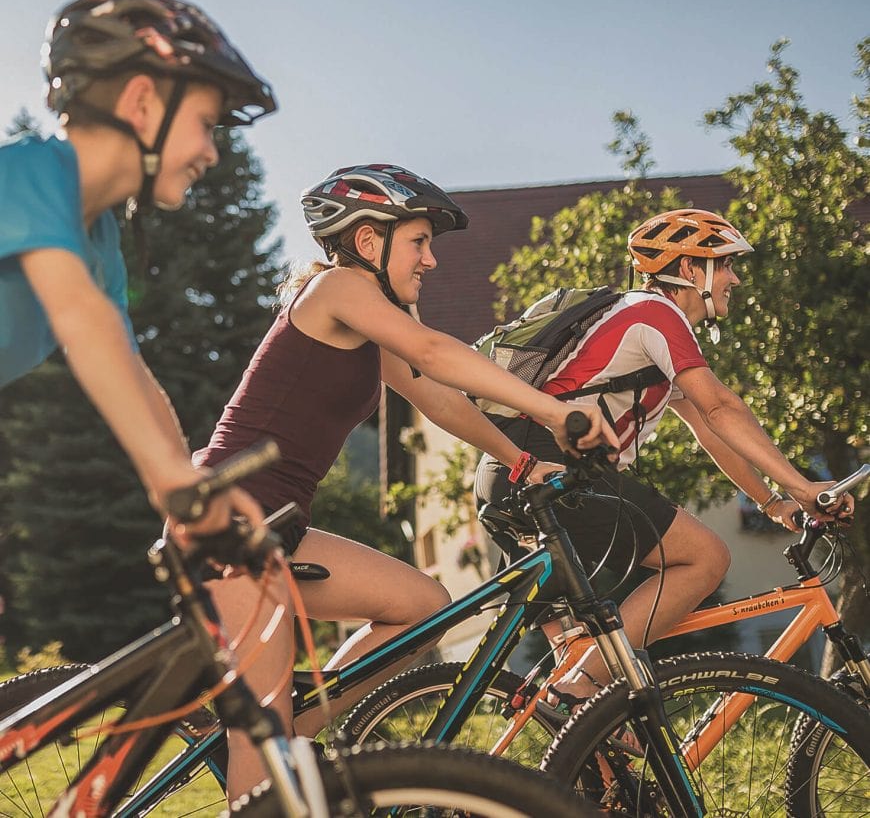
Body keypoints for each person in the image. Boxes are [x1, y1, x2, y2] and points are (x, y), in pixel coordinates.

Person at [194, 163, 619, 797]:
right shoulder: (336, 290)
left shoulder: (366, 324)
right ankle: (266, 741)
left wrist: (521, 459)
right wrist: (554, 412)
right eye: (419, 243)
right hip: (229, 519)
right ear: (369, 243)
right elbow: (434, 352)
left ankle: (289, 722)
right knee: (264, 792)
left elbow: (438, 398)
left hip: (278, 526)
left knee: (421, 605)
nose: (431, 261)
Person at [474, 208, 855, 710]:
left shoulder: (634, 326)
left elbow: (709, 430)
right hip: (558, 467)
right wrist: (806, 488)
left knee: (578, 707)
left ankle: (585, 757)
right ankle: (587, 680)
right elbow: (722, 407)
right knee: (705, 557)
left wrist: (770, 501)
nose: (736, 279)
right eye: (726, 265)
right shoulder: (656, 314)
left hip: (506, 473)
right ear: (692, 272)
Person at [0, 0, 276, 533]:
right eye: (205, 123)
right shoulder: (28, 172)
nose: (212, 152)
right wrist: (171, 479)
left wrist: (186, 495)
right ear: (141, 102)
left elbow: (134, 376)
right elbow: (82, 318)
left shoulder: (97, 241)